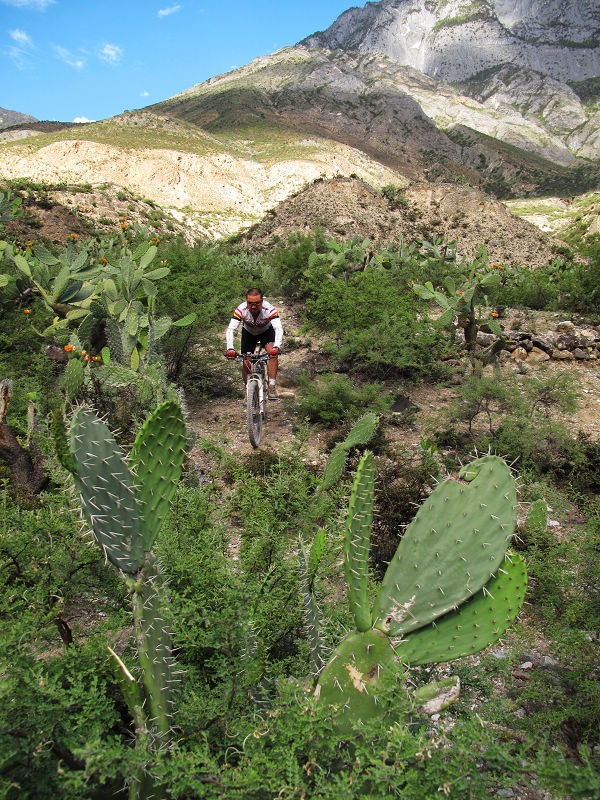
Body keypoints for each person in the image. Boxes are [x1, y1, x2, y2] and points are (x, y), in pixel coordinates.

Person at [225, 288, 283, 400]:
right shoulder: (241, 309)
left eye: (257, 303)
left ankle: (272, 386)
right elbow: (231, 329)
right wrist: (230, 348)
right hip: (249, 333)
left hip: (266, 332)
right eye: (250, 303)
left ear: (262, 301)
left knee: (272, 354)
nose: (253, 306)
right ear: (246, 302)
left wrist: (277, 346)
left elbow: (278, 328)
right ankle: (248, 389)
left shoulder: (269, 309)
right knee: (246, 360)